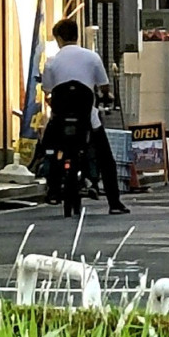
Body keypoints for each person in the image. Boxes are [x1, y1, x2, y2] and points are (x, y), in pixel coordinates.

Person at [42, 18, 127, 214]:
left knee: (49, 149)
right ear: (77, 35)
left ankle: (53, 190)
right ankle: (114, 202)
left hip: (60, 117)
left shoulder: (52, 61)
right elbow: (104, 87)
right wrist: (105, 95)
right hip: (87, 117)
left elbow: (47, 89)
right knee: (105, 157)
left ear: (59, 38)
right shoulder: (92, 57)